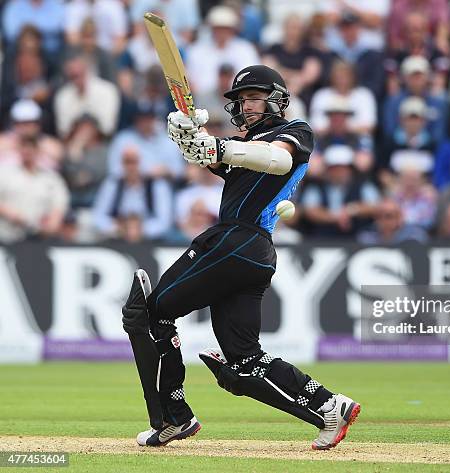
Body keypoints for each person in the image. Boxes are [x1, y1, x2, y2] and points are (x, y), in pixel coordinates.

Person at [122, 65, 360, 450]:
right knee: (243, 360)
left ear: (277, 99)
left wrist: (220, 145)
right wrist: (187, 136)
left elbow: (277, 161)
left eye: (253, 97)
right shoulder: (245, 142)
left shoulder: (294, 131)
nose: (246, 106)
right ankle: (330, 406)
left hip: (236, 239)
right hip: (253, 255)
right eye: (241, 100)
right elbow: (209, 156)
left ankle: (172, 417)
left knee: (150, 314)